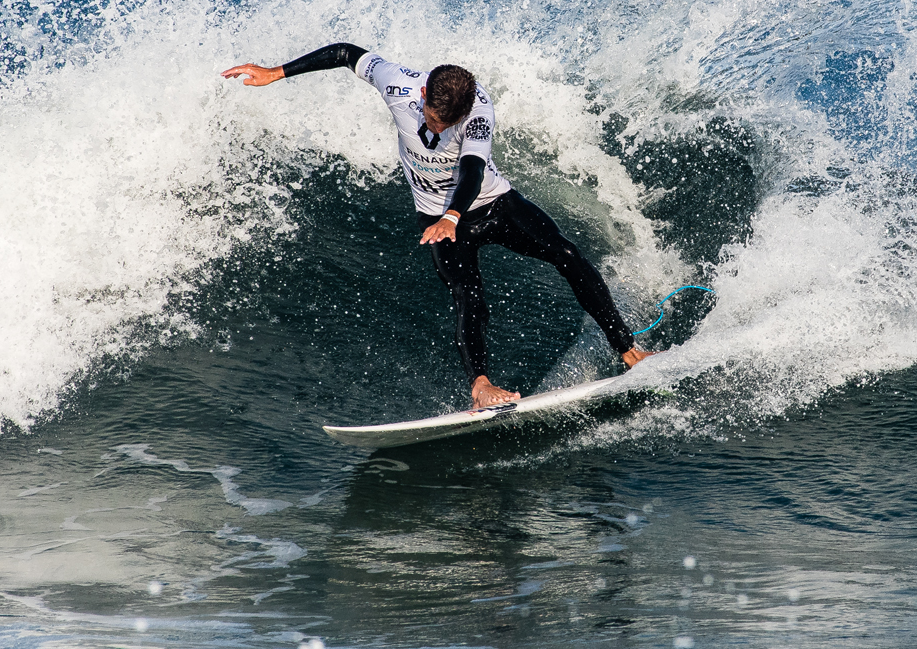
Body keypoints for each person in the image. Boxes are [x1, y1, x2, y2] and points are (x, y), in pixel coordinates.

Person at [222, 43, 652, 408]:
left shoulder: (478, 110)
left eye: (448, 125)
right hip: (437, 218)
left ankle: (628, 349)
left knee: (567, 254)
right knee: (469, 294)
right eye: (432, 119)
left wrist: (453, 215)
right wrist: (276, 72)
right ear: (423, 93)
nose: (438, 129)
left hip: (491, 203)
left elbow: (471, 170)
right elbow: (344, 53)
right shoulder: (397, 82)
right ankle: (481, 385)